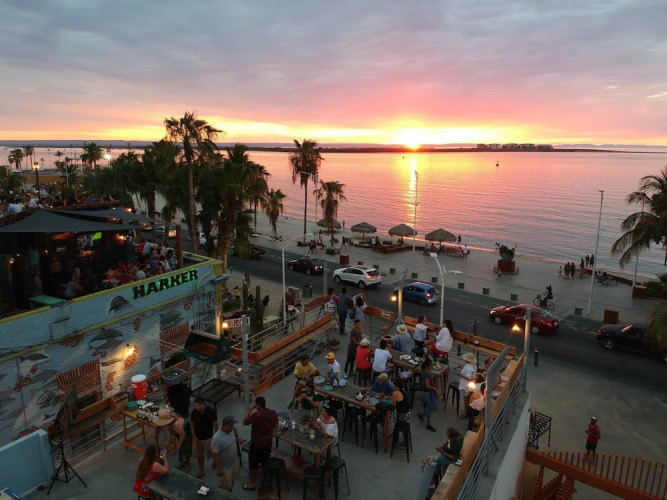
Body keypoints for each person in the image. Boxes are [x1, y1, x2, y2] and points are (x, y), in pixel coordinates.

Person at [242, 396, 278, 491]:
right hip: (268, 443)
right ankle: (264, 480)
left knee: (253, 464)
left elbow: (244, 422)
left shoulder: (256, 415)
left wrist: (250, 409)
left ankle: (251, 483)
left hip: (257, 444)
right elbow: (276, 425)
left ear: (257, 405)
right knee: (265, 461)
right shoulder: (273, 412)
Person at [211, 415, 244, 493]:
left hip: (234, 462)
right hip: (225, 467)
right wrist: (219, 468)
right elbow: (214, 454)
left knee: (232, 479)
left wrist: (238, 440)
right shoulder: (217, 438)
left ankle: (230, 492)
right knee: (223, 485)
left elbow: (232, 439)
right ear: (225, 425)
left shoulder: (230, 431)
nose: (233, 427)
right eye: (231, 425)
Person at [190, 398, 218, 478]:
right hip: (198, 438)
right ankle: (201, 470)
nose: (196, 408)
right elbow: (192, 425)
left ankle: (216, 462)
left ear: (202, 404)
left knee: (212, 453)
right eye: (195, 406)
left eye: (197, 406)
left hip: (208, 438)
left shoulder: (211, 412)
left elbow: (216, 425)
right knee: (199, 456)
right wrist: (194, 437)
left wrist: (216, 438)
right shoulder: (194, 412)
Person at [417, 359, 437, 432]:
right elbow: (427, 386)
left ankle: (422, 414)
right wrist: (434, 388)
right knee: (429, 408)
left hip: (430, 393)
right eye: (431, 365)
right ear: (427, 366)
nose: (432, 366)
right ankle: (428, 424)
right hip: (426, 393)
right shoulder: (426, 373)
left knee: (433, 407)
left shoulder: (428, 371)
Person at [458, 353, 478, 419]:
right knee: (468, 399)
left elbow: (469, 378)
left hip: (465, 386)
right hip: (470, 385)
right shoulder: (473, 365)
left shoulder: (469, 368)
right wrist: (462, 367)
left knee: (466, 401)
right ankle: (468, 412)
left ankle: (466, 414)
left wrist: (461, 375)